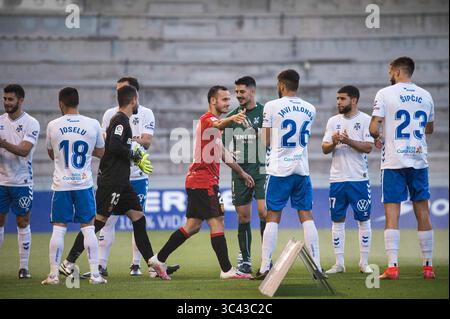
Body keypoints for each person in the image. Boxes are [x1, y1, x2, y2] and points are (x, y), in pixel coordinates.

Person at [59, 85, 171, 280]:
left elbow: (119, 146)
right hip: (111, 181)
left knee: (139, 218)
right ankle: (68, 262)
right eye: (137, 100)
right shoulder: (120, 121)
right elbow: (115, 145)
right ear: (133, 100)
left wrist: (134, 156)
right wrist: (134, 156)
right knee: (97, 223)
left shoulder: (122, 120)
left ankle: (152, 265)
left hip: (122, 182)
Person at [149, 85, 255, 279]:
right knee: (217, 222)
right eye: (224, 99)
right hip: (203, 181)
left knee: (193, 226)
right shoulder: (208, 120)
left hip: (199, 181)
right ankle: (227, 270)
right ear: (213, 101)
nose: (228, 102)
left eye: (228, 99)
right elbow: (219, 124)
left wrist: (241, 173)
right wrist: (232, 118)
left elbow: (223, 152)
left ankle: (158, 259)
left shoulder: (214, 126)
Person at [84, 77, 178, 278]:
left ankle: (136, 265)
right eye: (118, 89)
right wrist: (130, 141)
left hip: (137, 176)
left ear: (134, 95)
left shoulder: (146, 113)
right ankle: (101, 265)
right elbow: (105, 141)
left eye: (124, 90)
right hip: (116, 175)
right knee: (108, 222)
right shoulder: (110, 113)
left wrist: (125, 140)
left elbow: (146, 141)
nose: (120, 94)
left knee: (138, 219)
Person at [370, 56, 435, 280]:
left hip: (394, 162)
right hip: (418, 160)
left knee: (392, 213)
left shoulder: (385, 94)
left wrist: (379, 135)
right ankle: (428, 267)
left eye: (390, 71)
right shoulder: (426, 95)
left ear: (397, 71)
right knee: (423, 212)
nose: (389, 74)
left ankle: (393, 267)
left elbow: (372, 127)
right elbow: (429, 128)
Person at [254, 69, 322, 280]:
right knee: (306, 215)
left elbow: (265, 141)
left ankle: (265, 267)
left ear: (281, 85)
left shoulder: (271, 106)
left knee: (273, 215)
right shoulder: (310, 108)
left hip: (279, 169)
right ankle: (317, 267)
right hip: (301, 169)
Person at [42, 87, 107, 285]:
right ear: (78, 102)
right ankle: (95, 275)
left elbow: (51, 152)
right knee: (88, 228)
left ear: (61, 103)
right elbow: (101, 152)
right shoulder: (93, 124)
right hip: (83, 184)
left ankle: (53, 275)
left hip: (61, 185)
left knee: (59, 229)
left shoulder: (53, 125)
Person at [322, 85, 374, 275]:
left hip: (358, 179)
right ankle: (339, 263)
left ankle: (364, 262)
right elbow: (325, 148)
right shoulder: (332, 121)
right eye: (337, 99)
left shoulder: (366, 120)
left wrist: (347, 140)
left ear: (353, 100)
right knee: (337, 220)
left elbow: (369, 147)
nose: (338, 102)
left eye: (342, 99)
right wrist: (334, 141)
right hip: (337, 179)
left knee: (363, 219)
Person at [222, 76, 267, 274]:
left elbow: (271, 141)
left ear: (252, 92)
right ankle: (246, 259)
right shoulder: (232, 117)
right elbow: (222, 147)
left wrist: (255, 132)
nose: (238, 95)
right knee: (243, 217)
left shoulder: (265, 112)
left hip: (262, 169)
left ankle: (267, 259)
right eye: (236, 92)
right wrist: (238, 169)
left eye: (242, 92)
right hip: (240, 173)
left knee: (264, 212)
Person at [0, 84, 40, 279]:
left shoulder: (31, 123)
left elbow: (24, 150)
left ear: (20, 100)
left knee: (22, 221)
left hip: (22, 181)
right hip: (1, 182)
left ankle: (23, 267)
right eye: (5, 99)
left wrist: (3, 143)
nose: (7, 102)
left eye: (10, 99)